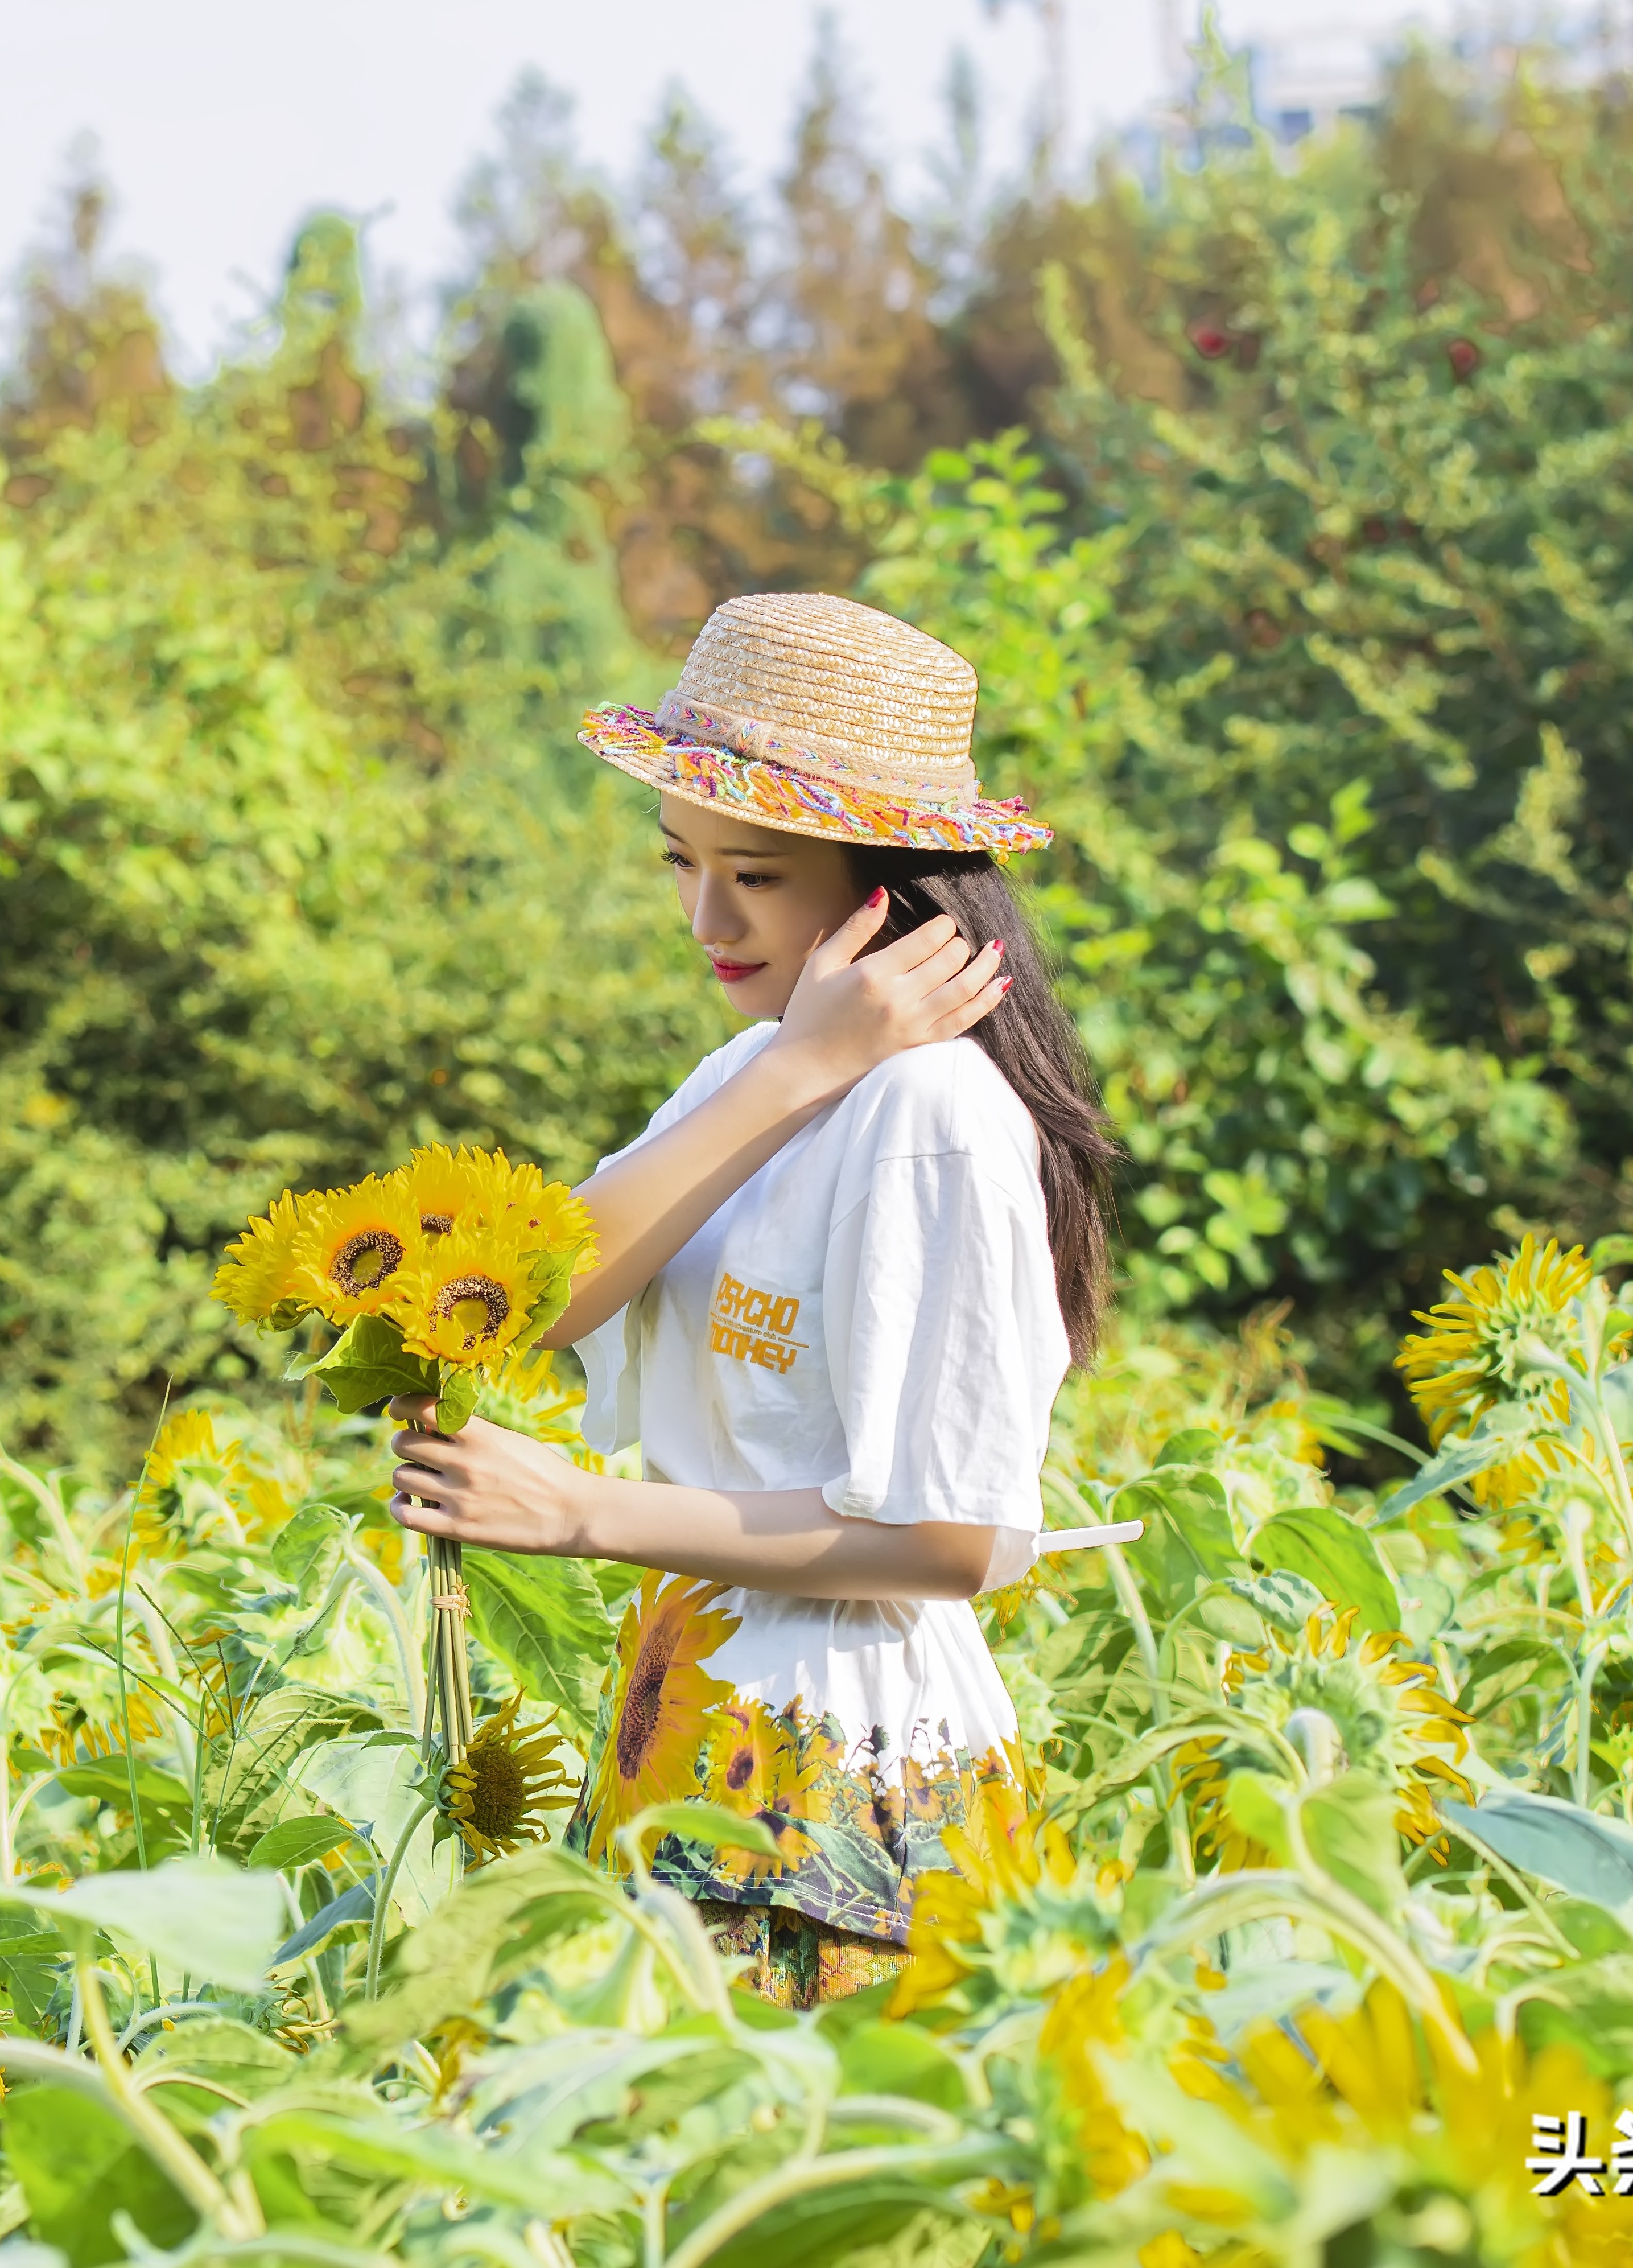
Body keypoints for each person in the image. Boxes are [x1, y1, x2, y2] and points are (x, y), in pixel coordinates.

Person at [384, 591, 1121, 2009]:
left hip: (835, 1773)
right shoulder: (758, 1072)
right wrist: (792, 1075)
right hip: (702, 1711)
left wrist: (583, 1512)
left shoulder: (933, 1112)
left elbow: (952, 1536)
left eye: (761, 878)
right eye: (682, 862)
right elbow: (535, 1290)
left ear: (883, 885)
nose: (707, 916)